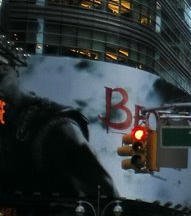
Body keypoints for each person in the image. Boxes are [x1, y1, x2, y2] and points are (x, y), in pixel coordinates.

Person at [0, 35, 119, 199]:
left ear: (10, 70)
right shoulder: (8, 125)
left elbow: (106, 192)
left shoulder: (56, 127)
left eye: (1, 76)